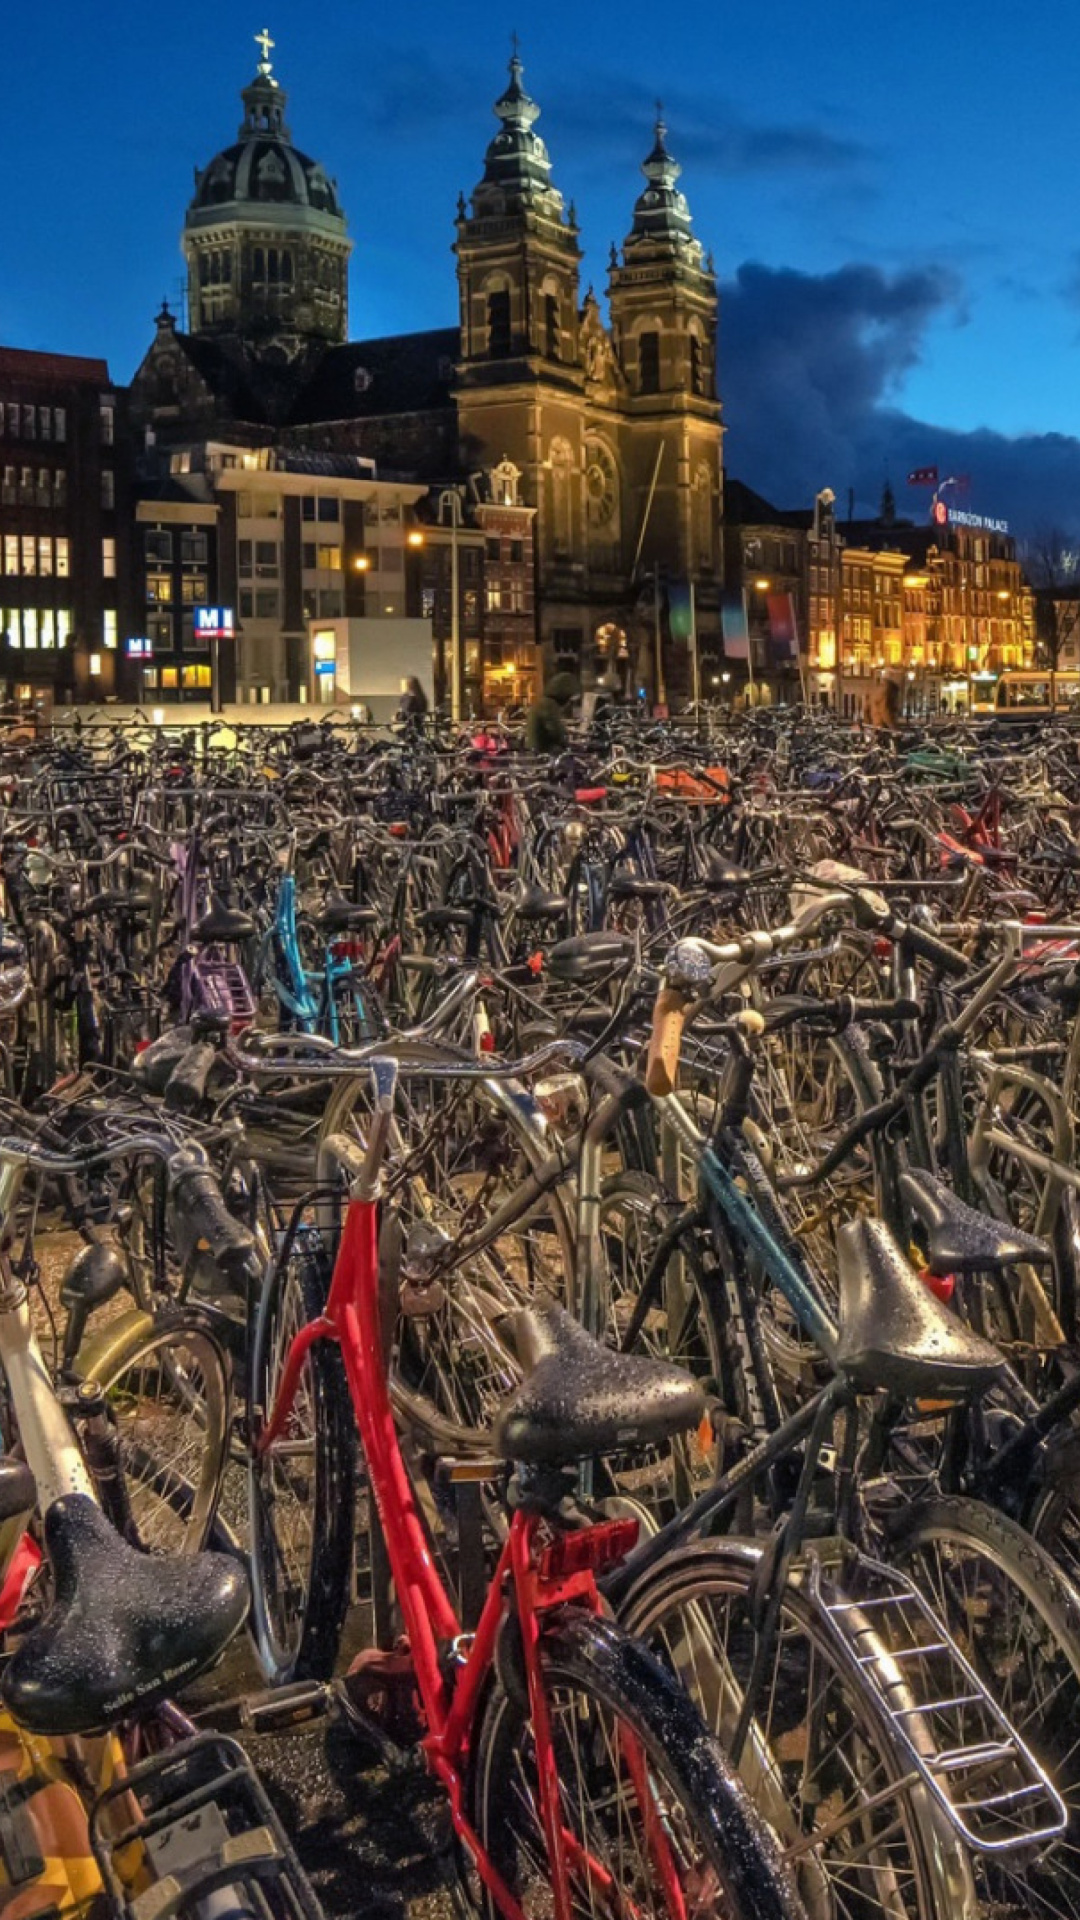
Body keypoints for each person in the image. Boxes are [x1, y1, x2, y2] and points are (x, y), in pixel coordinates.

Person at [525, 672, 578, 754]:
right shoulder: (549, 705)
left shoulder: (544, 703)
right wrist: (567, 742)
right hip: (544, 751)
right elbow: (555, 730)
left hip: (536, 749)